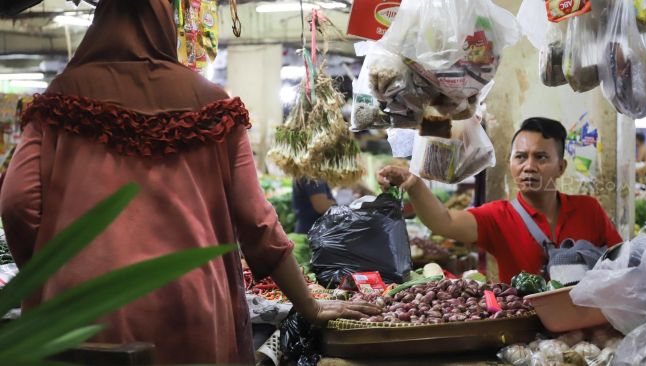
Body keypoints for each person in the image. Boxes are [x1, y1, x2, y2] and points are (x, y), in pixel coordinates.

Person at [0, 1, 379, 364]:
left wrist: (50, 273)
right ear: (166, 27)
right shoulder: (211, 102)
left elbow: (16, 203)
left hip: (82, 301)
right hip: (191, 298)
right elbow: (256, 220)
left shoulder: (59, 99)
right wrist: (308, 305)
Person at [378, 117, 622, 283]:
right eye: (521, 157)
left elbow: (620, 261)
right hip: (521, 331)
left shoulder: (588, 209)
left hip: (585, 325)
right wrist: (414, 184)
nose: (529, 167)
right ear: (510, 164)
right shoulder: (499, 216)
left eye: (541, 157)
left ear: (561, 167)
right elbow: (445, 221)